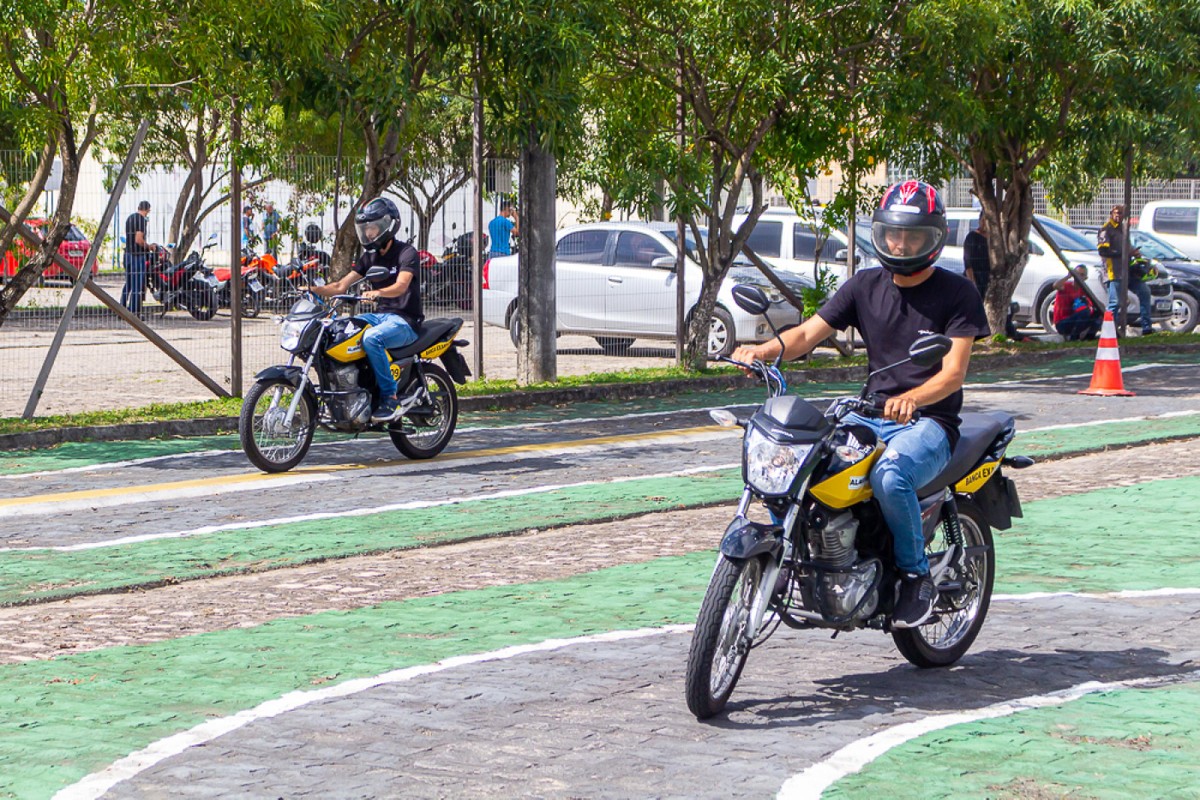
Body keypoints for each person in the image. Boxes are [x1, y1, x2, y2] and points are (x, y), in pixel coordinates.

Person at [731, 180, 990, 629]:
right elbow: (808, 334)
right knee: (798, 460)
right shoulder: (864, 285)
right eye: (893, 234)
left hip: (929, 421)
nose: (900, 243)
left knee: (891, 475)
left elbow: (953, 374)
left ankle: (914, 576)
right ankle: (804, 554)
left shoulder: (957, 294)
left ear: (933, 237)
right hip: (868, 414)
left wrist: (912, 398)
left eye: (912, 236)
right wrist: (761, 351)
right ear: (881, 233)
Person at [307, 197, 422, 422]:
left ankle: (390, 398)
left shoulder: (406, 253)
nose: (369, 233)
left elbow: (401, 286)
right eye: (366, 228)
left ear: (387, 226)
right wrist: (312, 289)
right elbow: (340, 285)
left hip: (405, 320)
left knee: (371, 339)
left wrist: (378, 293)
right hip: (379, 317)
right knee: (340, 331)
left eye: (373, 228)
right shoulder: (369, 257)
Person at [963, 213, 1025, 340]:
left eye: (988, 221)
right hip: (977, 277)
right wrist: (972, 282)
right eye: (983, 220)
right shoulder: (972, 237)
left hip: (991, 278)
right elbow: (968, 262)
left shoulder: (996, 239)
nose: (985, 223)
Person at [1097, 204, 1152, 335]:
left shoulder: (1124, 229)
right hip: (1113, 271)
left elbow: (1128, 248)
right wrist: (1126, 253)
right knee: (1114, 302)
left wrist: (1134, 253)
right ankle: (1109, 331)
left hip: (1128, 271)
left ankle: (1147, 327)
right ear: (1111, 213)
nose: (1118, 215)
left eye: (1121, 213)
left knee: (1145, 292)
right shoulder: (1106, 229)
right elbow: (1103, 251)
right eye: (1116, 213)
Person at [1051, 265, 1102, 341]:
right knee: (1084, 312)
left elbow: (1098, 305)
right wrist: (1068, 276)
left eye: (1082, 275)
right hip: (1062, 322)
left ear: (1085, 278)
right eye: (1077, 274)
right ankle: (1073, 339)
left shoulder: (1084, 290)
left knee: (1097, 313)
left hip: (1076, 320)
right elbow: (1055, 285)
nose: (1079, 277)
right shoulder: (1066, 285)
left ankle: (1088, 338)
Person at [121, 200, 152, 315]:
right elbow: (138, 239)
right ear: (147, 210)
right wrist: (149, 247)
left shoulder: (130, 218)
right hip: (137, 256)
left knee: (128, 283)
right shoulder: (141, 220)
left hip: (128, 254)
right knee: (137, 285)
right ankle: (133, 312)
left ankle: (121, 308)